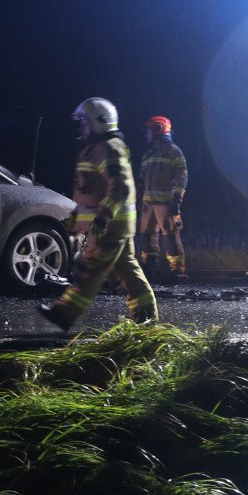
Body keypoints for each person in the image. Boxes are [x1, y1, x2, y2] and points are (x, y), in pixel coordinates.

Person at [39, 97, 158, 331]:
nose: (81, 127)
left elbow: (120, 186)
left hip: (110, 226)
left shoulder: (107, 147)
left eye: (85, 121)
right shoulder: (96, 148)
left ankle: (64, 314)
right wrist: (75, 219)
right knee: (127, 269)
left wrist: (103, 217)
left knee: (90, 269)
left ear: (100, 122)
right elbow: (91, 192)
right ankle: (146, 317)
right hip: (114, 224)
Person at [138, 115, 189, 280]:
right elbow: (142, 178)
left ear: (157, 131)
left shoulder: (174, 151)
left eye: (148, 131)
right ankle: (149, 265)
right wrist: (139, 198)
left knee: (170, 236)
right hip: (148, 203)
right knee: (146, 235)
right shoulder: (148, 154)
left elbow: (182, 177)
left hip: (166, 203)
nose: (146, 134)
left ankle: (177, 270)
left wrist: (177, 200)